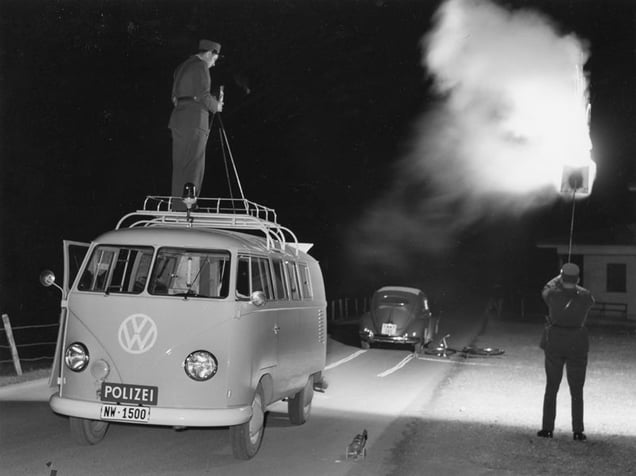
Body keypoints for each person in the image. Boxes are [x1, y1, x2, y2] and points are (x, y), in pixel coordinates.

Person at [537, 262, 594, 441]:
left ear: (562, 278)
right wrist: (574, 284)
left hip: (555, 343)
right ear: (578, 279)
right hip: (577, 344)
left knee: (551, 387)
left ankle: (547, 428)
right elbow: (590, 299)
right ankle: (578, 431)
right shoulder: (585, 296)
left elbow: (547, 287)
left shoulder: (553, 294)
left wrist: (559, 277)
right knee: (577, 389)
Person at [169, 39, 223, 203]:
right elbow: (203, 95)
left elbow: (177, 97)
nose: (213, 64)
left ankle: (178, 206)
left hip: (179, 119)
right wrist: (216, 106)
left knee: (180, 166)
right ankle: (188, 205)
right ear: (209, 53)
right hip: (195, 121)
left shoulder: (182, 66)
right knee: (194, 164)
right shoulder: (201, 66)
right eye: (214, 59)